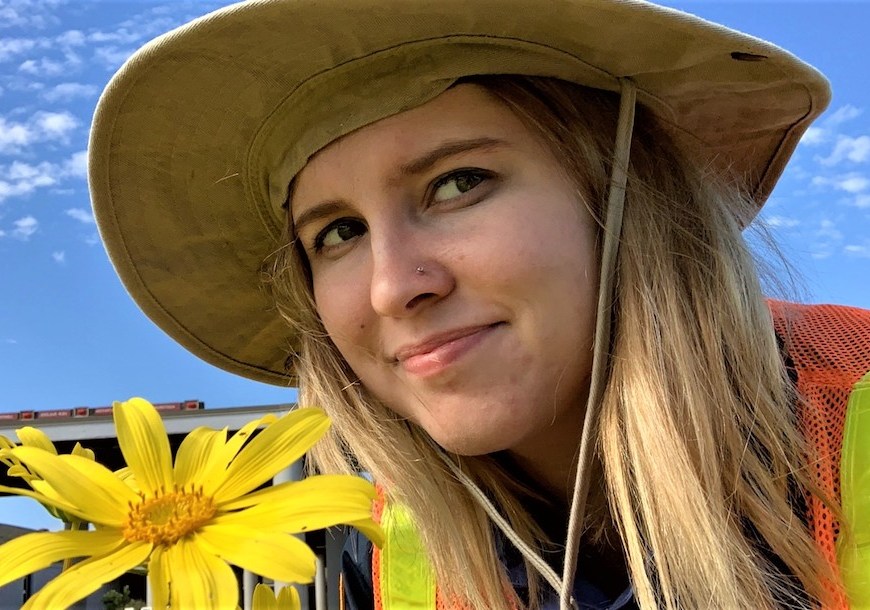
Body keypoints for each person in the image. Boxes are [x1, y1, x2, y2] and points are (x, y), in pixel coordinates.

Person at [87, 1, 870, 609]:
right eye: (337, 233)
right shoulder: (384, 540)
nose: (395, 286)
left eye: (458, 183)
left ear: (628, 196)